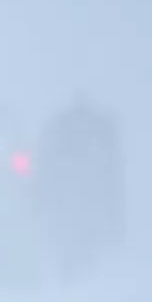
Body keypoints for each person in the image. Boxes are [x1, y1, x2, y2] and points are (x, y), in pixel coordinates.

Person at [33, 93, 125, 283]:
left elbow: (46, 164)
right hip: (76, 199)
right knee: (74, 231)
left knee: (74, 231)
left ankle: (74, 273)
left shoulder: (63, 132)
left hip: (73, 199)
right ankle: (74, 273)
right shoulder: (99, 136)